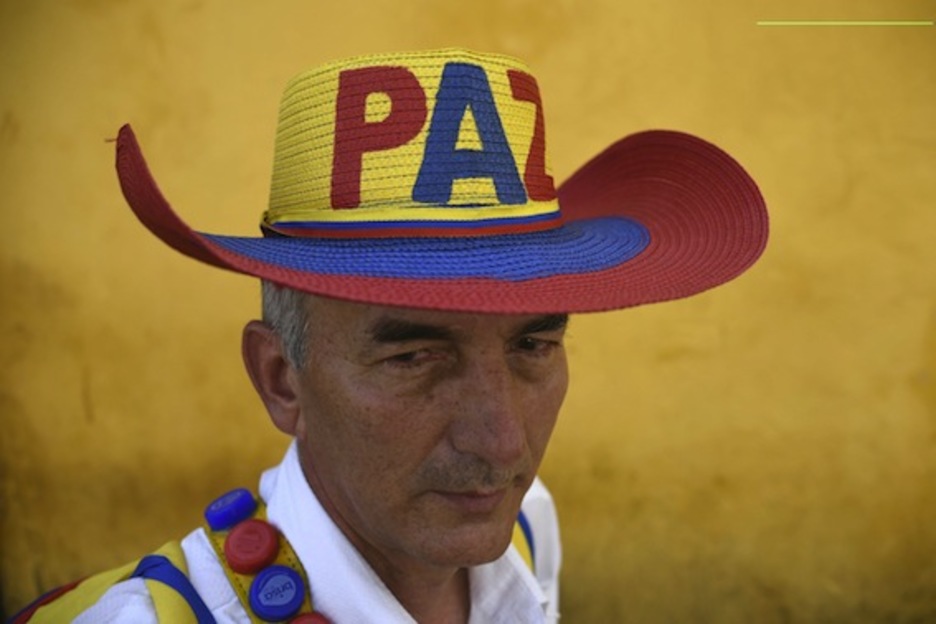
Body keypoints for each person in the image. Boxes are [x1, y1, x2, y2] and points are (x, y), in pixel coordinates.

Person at [12, 48, 768, 623]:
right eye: (414, 357)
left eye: (533, 346)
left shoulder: (526, 526)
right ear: (281, 378)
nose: (502, 442)